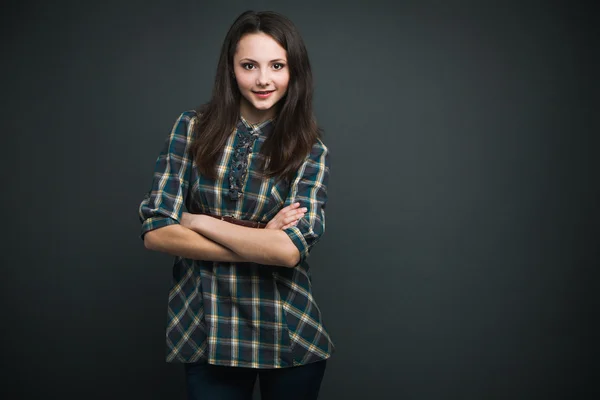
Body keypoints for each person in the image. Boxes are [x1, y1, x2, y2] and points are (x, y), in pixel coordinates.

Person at [138, 10, 333, 400]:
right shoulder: (191, 128)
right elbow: (156, 231)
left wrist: (197, 221)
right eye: (249, 65)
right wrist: (260, 239)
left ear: (294, 71)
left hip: (287, 329)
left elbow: (288, 252)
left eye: (277, 65)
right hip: (207, 329)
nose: (263, 79)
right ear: (231, 69)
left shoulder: (309, 149)